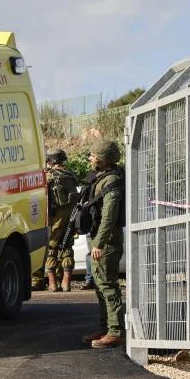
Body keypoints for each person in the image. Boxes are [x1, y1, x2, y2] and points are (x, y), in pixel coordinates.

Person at [80, 139, 126, 349]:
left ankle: (116, 331)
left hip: (106, 241)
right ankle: (106, 327)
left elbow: (109, 216)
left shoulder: (111, 181)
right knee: (100, 285)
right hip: (98, 239)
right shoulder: (101, 178)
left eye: (93, 155)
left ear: (103, 159)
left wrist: (99, 243)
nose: (90, 158)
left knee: (108, 286)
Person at [44, 148, 79, 292]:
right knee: (67, 248)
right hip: (70, 217)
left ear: (51, 161)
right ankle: (66, 283)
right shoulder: (70, 175)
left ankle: (52, 284)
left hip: (55, 219)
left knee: (51, 248)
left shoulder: (49, 177)